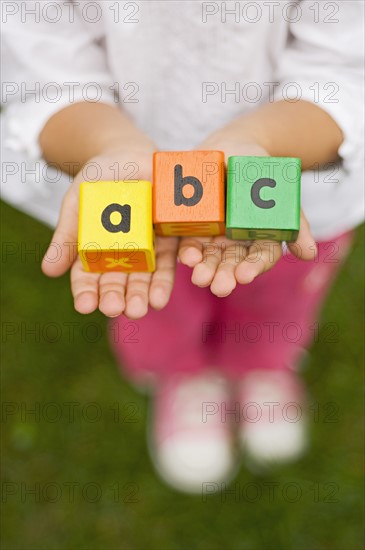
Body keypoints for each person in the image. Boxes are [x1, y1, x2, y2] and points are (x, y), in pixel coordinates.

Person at [2, 1, 364, 493]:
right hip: (130, 188)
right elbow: (44, 75)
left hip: (298, 176)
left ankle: (260, 363)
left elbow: (343, 67)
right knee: (150, 295)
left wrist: (257, 140)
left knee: (280, 292)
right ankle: (184, 375)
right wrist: (109, 147)